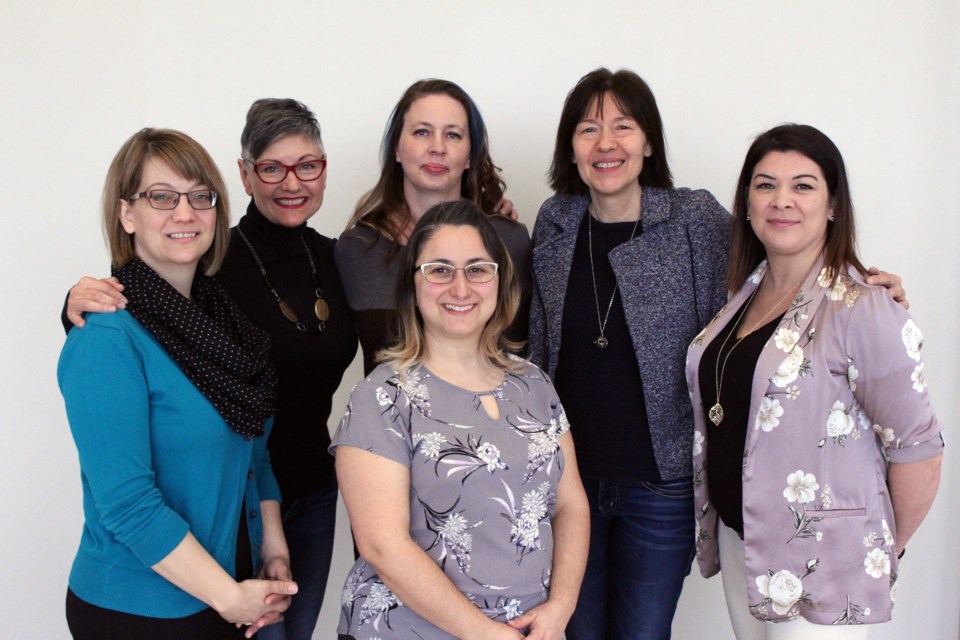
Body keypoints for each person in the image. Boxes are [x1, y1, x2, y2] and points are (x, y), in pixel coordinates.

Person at [528, 68, 909, 640]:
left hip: (662, 485)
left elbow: (786, 247)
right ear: (571, 148)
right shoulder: (555, 226)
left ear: (649, 141)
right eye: (588, 129)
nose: (606, 144)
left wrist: (861, 284)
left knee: (641, 633)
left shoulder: (693, 221)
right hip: (566, 481)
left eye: (623, 127)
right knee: (571, 630)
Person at [62, 100, 358, 640]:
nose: (184, 213)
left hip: (230, 576)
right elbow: (128, 504)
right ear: (127, 214)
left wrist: (271, 546)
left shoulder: (221, 321)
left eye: (200, 198)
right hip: (141, 608)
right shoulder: (106, 334)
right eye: (162, 198)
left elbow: (253, 446)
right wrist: (228, 597)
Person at [686, 124, 942, 639]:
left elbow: (918, 448)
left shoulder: (863, 307)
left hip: (827, 562)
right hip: (746, 544)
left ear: (831, 205)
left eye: (802, 185)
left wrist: (876, 551)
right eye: (765, 185)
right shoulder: (743, 297)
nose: (782, 200)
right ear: (748, 202)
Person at [331, 200, 590, 639]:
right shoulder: (382, 395)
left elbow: (570, 506)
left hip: (531, 629)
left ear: (499, 280)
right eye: (439, 269)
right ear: (413, 284)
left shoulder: (534, 385)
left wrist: (561, 608)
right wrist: (486, 634)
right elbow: (382, 545)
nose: (460, 287)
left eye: (476, 269)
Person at [335, 78, 530, 375]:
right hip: (390, 421)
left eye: (453, 135)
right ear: (397, 149)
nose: (437, 147)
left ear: (470, 156)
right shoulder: (357, 249)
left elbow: (530, 351)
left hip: (496, 419)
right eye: (422, 132)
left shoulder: (509, 241)